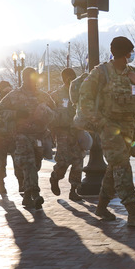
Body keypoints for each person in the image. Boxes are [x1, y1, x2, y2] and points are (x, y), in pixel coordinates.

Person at [74, 36, 135, 226]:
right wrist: (101, 123)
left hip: (130, 130)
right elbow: (84, 100)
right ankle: (133, 213)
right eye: (130, 52)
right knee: (122, 166)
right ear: (125, 53)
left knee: (114, 168)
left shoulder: (133, 73)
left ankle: (101, 207)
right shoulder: (101, 73)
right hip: (110, 129)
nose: (131, 55)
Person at [0, 67, 54, 209]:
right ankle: (35, 193)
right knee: (29, 163)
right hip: (22, 135)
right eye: (28, 77)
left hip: (39, 135)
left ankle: (27, 197)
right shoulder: (14, 95)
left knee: (36, 165)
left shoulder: (43, 96)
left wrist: (44, 113)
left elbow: (54, 112)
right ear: (23, 78)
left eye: (33, 77)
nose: (31, 80)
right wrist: (16, 114)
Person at [49, 68, 86, 202]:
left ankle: (73, 190)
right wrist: (52, 129)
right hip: (62, 131)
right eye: (68, 77)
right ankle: (55, 177)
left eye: (72, 77)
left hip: (77, 130)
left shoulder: (80, 93)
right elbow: (50, 113)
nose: (70, 79)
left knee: (78, 160)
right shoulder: (56, 95)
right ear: (64, 79)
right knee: (63, 161)